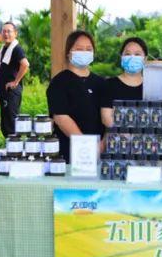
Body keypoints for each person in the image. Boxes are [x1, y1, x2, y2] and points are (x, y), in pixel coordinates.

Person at [46, 29, 106, 160]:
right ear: (69, 53)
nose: (84, 52)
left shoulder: (101, 83)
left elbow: (109, 116)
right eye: (79, 49)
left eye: (89, 49)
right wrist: (86, 147)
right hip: (70, 153)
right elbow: (61, 118)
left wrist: (102, 145)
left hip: (100, 152)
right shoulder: (59, 82)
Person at [101, 36, 147, 128]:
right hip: (118, 140)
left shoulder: (151, 86)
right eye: (127, 54)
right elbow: (106, 118)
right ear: (121, 57)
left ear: (145, 59)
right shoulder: (109, 84)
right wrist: (126, 134)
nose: (132, 57)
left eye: (137, 54)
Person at [0, 21, 29, 138]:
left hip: (11, 92)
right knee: (6, 124)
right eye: (3, 31)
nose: (6, 34)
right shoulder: (4, 49)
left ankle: (15, 151)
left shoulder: (16, 48)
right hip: (4, 93)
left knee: (11, 122)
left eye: (9, 31)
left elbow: (25, 64)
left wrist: (16, 81)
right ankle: (10, 150)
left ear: (15, 33)